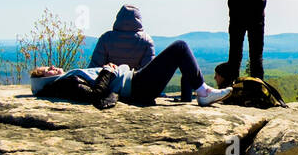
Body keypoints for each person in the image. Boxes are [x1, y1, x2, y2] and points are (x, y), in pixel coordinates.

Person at [31, 39, 230, 107]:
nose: (52, 67)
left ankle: (192, 97)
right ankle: (202, 93)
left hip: (135, 81)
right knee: (180, 47)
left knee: (181, 56)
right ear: (44, 80)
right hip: (136, 86)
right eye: (46, 70)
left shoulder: (65, 81)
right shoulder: (66, 83)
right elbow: (94, 95)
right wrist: (107, 71)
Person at [89, 5, 155, 69]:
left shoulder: (106, 38)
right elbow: (148, 70)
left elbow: (94, 67)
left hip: (110, 79)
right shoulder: (146, 40)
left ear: (119, 17)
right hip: (135, 79)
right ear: (139, 18)